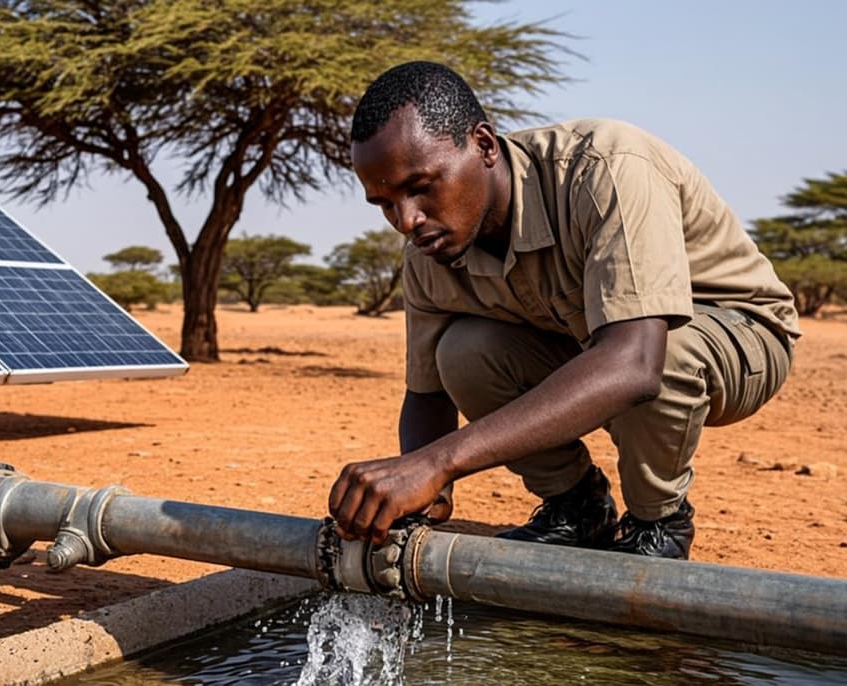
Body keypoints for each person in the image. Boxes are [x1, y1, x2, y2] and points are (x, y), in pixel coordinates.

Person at [327, 61, 798, 559]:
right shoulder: (430, 252)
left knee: (663, 349)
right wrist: (419, 497)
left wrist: (438, 463)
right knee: (463, 352)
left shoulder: (606, 168)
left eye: (420, 186)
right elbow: (427, 394)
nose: (407, 220)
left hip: (737, 332)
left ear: (484, 146)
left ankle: (657, 525)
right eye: (384, 203)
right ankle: (576, 509)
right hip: (595, 345)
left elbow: (634, 365)